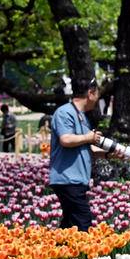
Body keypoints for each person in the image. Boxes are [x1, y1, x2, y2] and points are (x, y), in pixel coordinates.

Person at [49, 78, 118, 231]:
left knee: (69, 224)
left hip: (77, 179)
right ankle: (81, 254)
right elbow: (65, 139)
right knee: (83, 221)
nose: (97, 102)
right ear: (90, 93)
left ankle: (58, 252)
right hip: (67, 178)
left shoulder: (82, 116)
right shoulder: (65, 112)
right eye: (97, 97)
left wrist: (109, 154)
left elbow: (86, 148)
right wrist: (89, 137)